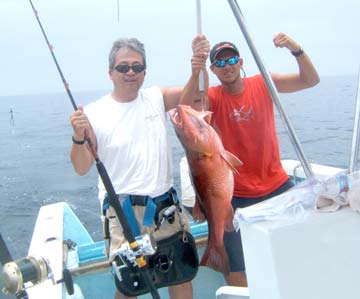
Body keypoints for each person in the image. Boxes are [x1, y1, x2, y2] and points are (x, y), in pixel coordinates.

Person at [70, 36, 209, 299]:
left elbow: (197, 96)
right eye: (123, 67)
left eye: (137, 67)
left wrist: (197, 67)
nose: (130, 72)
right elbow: (81, 166)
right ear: (110, 72)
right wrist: (78, 136)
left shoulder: (156, 97)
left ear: (145, 72)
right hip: (124, 214)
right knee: (130, 286)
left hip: (165, 206)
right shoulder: (94, 113)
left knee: (181, 276)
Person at [185, 32, 320, 287]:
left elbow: (310, 80)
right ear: (213, 69)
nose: (228, 66)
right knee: (236, 270)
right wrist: (196, 70)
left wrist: (296, 48)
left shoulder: (264, 83)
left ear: (241, 62)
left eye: (231, 59)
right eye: (220, 63)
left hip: (277, 186)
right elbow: (185, 109)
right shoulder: (211, 97)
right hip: (234, 193)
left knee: (304, 246)